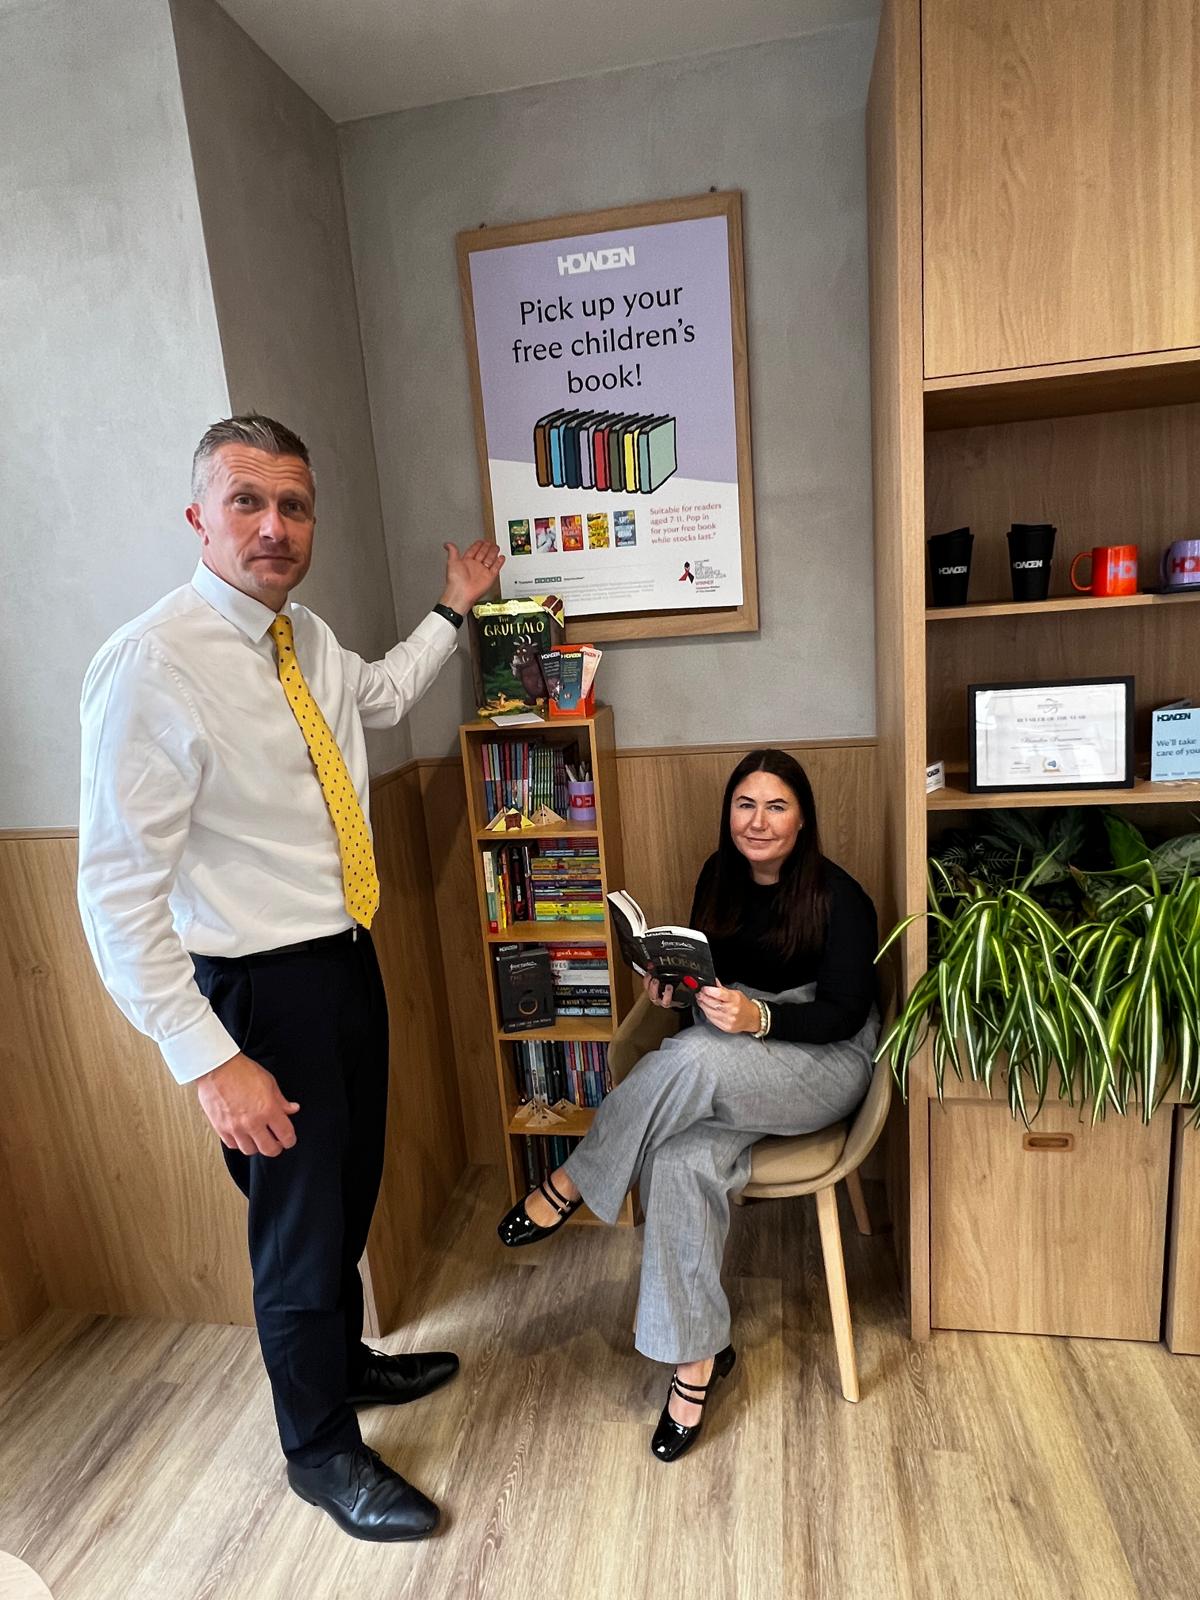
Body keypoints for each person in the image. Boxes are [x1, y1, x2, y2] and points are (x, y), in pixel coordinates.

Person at [78, 414, 504, 1542]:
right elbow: (114, 897)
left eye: (295, 506)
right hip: (256, 997)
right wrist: (212, 1063)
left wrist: (453, 609)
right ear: (199, 517)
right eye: (247, 503)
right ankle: (319, 1453)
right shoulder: (150, 666)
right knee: (300, 1237)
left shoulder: (303, 636)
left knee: (348, 1188)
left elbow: (376, 700)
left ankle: (344, 1365)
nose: (275, 527)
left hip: (344, 962)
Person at [497, 749, 879, 1461]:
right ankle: (696, 1363)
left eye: (776, 806)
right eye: (745, 804)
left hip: (823, 1060)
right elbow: (712, 991)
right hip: (733, 1061)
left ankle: (576, 1177)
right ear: (728, 812)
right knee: (676, 1159)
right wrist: (672, 993)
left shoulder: (840, 896)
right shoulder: (718, 877)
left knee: (699, 1057)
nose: (757, 821)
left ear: (803, 818)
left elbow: (844, 1012)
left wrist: (758, 1021)